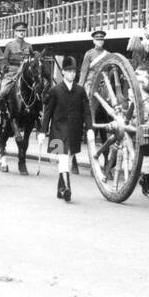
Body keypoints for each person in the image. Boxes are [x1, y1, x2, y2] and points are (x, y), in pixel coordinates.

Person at [38, 56, 88, 203]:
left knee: (68, 159)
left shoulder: (80, 91)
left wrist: (90, 129)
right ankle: (67, 189)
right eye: (69, 71)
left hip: (74, 131)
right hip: (58, 130)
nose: (72, 74)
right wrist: (42, 131)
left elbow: (86, 112)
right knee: (63, 158)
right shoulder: (55, 90)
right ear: (64, 72)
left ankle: (60, 188)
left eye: (74, 71)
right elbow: (47, 112)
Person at [0, 22, 33, 120]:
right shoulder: (10, 45)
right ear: (15, 32)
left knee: (37, 91)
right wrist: (4, 70)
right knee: (1, 92)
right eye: (19, 31)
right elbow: (4, 60)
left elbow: (31, 60)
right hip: (12, 74)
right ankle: (0, 113)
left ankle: (37, 114)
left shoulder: (29, 46)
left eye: (23, 31)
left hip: (25, 73)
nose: (21, 33)